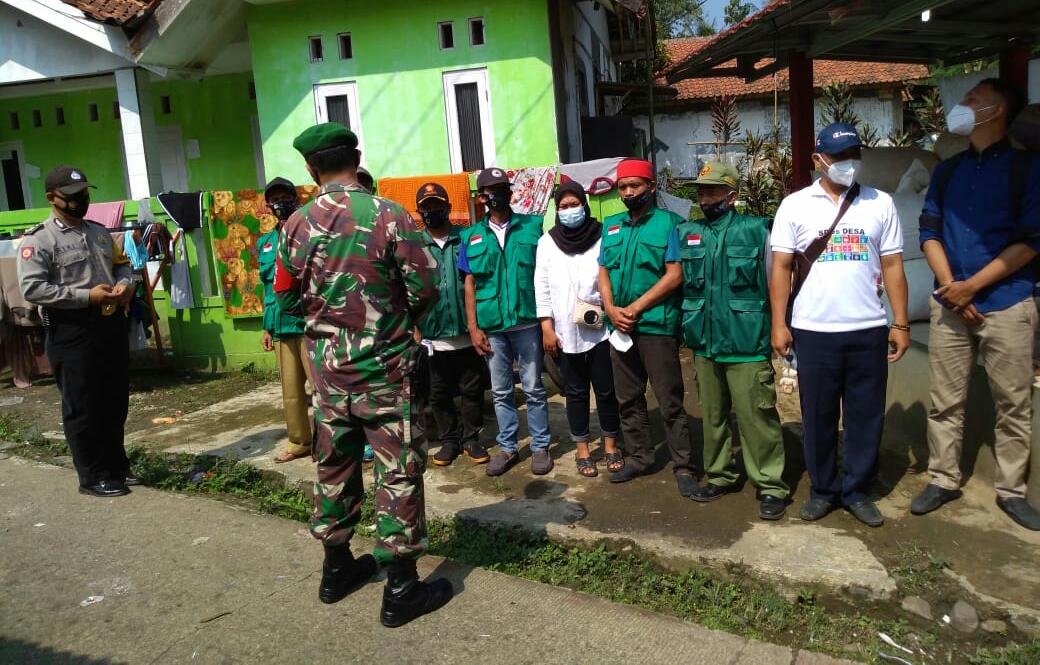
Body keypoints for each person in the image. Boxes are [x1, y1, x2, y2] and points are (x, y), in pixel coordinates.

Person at [274, 122, 452, 625]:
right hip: (386, 371)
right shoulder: (390, 215)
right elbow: (426, 286)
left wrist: (324, 324)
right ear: (356, 157)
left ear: (312, 169)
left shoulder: (295, 225)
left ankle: (335, 571)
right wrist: (397, 322)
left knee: (334, 467)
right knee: (396, 472)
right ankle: (400, 588)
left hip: (328, 375)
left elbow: (284, 294)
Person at [914, 79, 1040, 531]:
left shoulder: (1028, 170)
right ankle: (943, 478)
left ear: (998, 111)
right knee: (945, 400)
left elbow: (1031, 243)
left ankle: (1010, 491)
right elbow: (929, 231)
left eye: (974, 99)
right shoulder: (949, 170)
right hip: (950, 303)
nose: (963, 105)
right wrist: (952, 287)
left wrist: (974, 288)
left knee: (1013, 402)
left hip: (1008, 302)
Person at [770, 122, 910, 527]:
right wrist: (779, 324)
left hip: (867, 328)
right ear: (818, 160)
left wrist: (899, 323)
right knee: (818, 415)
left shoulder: (879, 203)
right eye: (839, 157)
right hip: (814, 330)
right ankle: (824, 489)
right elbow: (780, 268)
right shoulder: (795, 205)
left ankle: (857, 489)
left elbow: (893, 265)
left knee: (866, 415)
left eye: (854, 155)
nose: (848, 164)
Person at [678, 162, 789, 520]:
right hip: (705, 341)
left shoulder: (758, 231)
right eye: (701, 191)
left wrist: (780, 326)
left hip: (746, 339)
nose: (705, 198)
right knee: (712, 416)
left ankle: (770, 484)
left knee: (756, 416)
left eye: (712, 191)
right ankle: (720, 474)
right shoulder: (687, 233)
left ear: (732, 195)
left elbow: (779, 282)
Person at [18, 166, 136, 497]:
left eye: (84, 193)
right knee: (83, 405)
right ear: (51, 198)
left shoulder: (98, 232)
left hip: (109, 324)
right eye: (72, 197)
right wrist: (87, 296)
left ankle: (117, 466)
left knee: (115, 399)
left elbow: (122, 263)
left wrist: (126, 284)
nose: (80, 201)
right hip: (71, 329)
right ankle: (92, 474)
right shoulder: (39, 239)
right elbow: (33, 288)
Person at [598, 159, 698, 495]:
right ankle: (640, 456)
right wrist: (611, 309)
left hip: (656, 325)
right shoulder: (611, 226)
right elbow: (603, 272)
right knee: (627, 397)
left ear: (651, 187)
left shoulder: (670, 223)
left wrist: (635, 308)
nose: (628, 192)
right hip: (620, 328)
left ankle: (683, 465)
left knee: (669, 399)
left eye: (635, 186)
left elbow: (675, 273)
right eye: (623, 187)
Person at [458, 167, 552, 477]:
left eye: (501, 188)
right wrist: (473, 327)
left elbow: (547, 271)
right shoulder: (469, 236)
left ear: (510, 193)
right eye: (490, 190)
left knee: (534, 388)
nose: (496, 195)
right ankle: (509, 447)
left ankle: (540, 447)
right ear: (481, 196)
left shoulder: (533, 227)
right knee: (500, 392)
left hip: (526, 322)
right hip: (492, 327)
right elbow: (469, 284)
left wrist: (546, 320)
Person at [535, 181, 622, 478]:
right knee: (575, 393)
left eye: (575, 205)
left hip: (600, 329)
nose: (570, 211)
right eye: (563, 206)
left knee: (607, 390)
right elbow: (541, 287)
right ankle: (583, 451)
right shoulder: (547, 242)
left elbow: (609, 275)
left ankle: (611, 446)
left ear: (584, 205)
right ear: (557, 211)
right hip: (563, 331)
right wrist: (546, 327)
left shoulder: (602, 237)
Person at [413, 182, 489, 467]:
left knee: (472, 389)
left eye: (437, 205)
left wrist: (477, 325)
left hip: (467, 331)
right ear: (420, 211)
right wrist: (414, 327)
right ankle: (449, 439)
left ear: (447, 206)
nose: (433, 211)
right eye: (427, 207)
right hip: (433, 335)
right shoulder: (415, 244)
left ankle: (472, 438)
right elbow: (407, 287)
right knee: (438, 393)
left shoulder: (466, 238)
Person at [257, 177, 312, 464]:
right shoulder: (265, 243)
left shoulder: (309, 234)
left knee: (321, 388)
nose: (280, 203)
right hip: (280, 325)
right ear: (267, 206)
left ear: (296, 198)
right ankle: (300, 442)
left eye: (285, 197)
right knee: (291, 392)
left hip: (308, 323)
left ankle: (332, 444)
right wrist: (267, 326)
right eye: (274, 199)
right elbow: (268, 289)